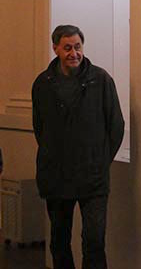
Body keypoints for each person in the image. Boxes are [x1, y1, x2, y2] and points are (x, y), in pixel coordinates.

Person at [32, 25, 124, 269]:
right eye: (67, 48)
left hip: (93, 177)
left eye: (78, 47)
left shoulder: (101, 79)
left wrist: (100, 160)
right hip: (56, 176)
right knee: (59, 240)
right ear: (55, 49)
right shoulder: (42, 84)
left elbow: (116, 125)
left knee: (94, 241)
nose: (74, 53)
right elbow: (39, 127)